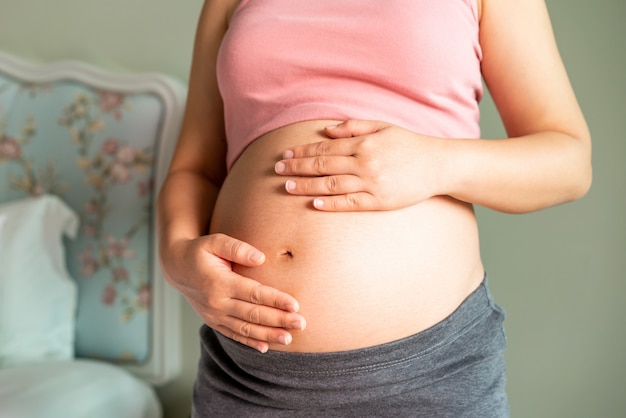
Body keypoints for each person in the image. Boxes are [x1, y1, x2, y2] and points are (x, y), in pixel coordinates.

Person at [157, 0, 591, 416]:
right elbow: (194, 170)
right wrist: (176, 255)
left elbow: (569, 163)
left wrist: (436, 163)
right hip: (248, 378)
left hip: (428, 377)